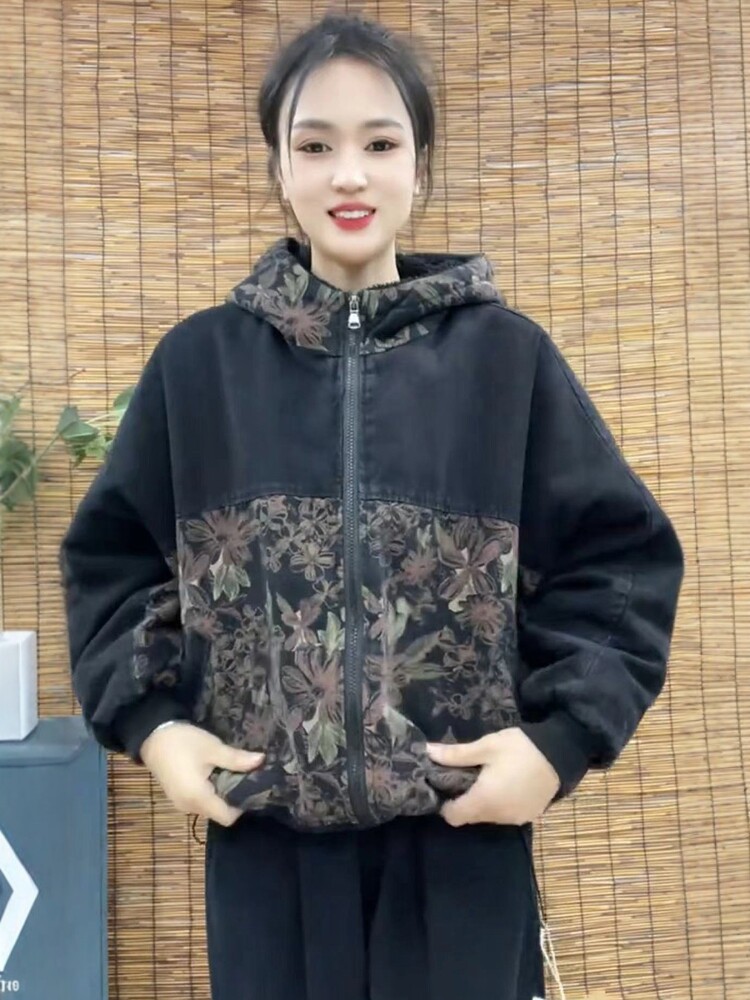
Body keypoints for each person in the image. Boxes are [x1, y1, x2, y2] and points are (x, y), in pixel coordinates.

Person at [59, 11, 684, 1000]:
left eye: (380, 144)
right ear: (279, 168)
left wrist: (556, 744)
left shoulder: (506, 362)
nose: (348, 175)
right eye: (315, 146)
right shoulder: (200, 368)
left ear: (419, 168)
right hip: (268, 853)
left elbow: (621, 563)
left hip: (461, 847)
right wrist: (156, 727)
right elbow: (114, 562)